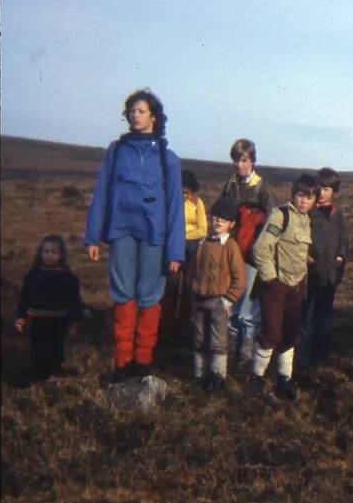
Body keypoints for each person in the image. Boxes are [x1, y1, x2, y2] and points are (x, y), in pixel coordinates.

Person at [84, 89, 185, 379]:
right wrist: (93, 236)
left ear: (153, 116)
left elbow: (176, 206)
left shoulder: (168, 159)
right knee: (123, 293)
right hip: (121, 230)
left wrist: (175, 251)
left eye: (141, 111)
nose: (134, 115)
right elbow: (102, 192)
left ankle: (143, 361)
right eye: (131, 111)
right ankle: (123, 361)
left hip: (154, 234)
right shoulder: (115, 151)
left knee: (150, 296)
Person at [245, 174, 317, 400]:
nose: (304, 201)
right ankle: (256, 377)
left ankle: (284, 378)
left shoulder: (306, 220)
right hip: (276, 285)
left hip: (297, 286)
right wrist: (271, 279)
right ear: (293, 194)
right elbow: (261, 249)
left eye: (309, 197)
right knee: (271, 333)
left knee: (290, 334)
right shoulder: (280, 215)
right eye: (300, 195)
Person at [220, 138, 277, 371]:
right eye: (236, 160)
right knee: (231, 302)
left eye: (243, 160)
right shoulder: (230, 185)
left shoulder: (262, 187)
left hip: (253, 256)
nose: (239, 165)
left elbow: (272, 220)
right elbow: (223, 214)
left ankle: (245, 353)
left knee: (249, 309)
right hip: (232, 253)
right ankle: (233, 352)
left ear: (252, 160)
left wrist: (260, 249)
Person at [186, 196, 247, 392]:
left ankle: (218, 376)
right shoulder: (202, 243)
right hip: (199, 300)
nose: (218, 222)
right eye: (215, 217)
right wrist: (192, 289)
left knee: (218, 340)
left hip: (219, 302)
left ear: (231, 224)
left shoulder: (230, 246)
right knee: (199, 337)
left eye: (224, 219)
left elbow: (240, 277)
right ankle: (199, 374)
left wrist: (228, 300)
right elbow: (192, 270)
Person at [298, 167, 349, 375]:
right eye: (320, 187)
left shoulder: (338, 214)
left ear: (334, 191)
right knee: (306, 319)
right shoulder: (308, 212)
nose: (323, 192)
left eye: (328, 188)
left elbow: (344, 239)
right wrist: (305, 256)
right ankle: (303, 359)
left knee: (325, 318)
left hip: (329, 275)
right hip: (310, 274)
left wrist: (341, 257)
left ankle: (321, 357)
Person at [14, 234, 83, 381]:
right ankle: (38, 373)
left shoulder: (69, 278)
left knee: (56, 349)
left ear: (61, 255)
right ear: (40, 253)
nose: (49, 255)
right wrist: (20, 317)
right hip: (37, 319)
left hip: (59, 320)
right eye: (46, 252)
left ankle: (54, 373)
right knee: (37, 349)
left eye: (54, 252)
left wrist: (75, 322)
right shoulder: (32, 276)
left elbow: (75, 302)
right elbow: (24, 298)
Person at [160, 169, 207, 342]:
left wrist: (182, 234)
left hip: (191, 249)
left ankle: (184, 328)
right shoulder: (171, 202)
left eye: (188, 191)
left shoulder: (198, 203)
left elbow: (202, 229)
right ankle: (165, 328)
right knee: (170, 288)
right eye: (182, 190)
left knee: (188, 289)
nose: (185, 194)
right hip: (173, 247)